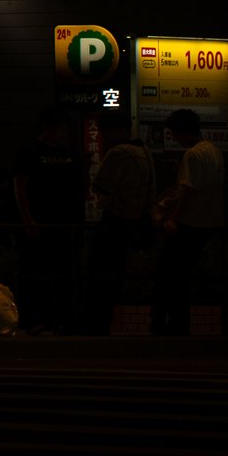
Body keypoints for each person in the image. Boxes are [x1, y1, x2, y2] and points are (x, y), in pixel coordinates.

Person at [12, 107, 86, 333]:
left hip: (65, 223)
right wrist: (28, 219)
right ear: (45, 129)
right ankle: (36, 320)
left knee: (65, 274)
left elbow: (81, 186)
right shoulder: (30, 152)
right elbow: (20, 187)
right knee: (37, 273)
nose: (59, 133)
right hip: (39, 224)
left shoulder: (72, 154)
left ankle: (63, 319)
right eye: (56, 128)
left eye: (62, 129)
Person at [154, 108, 226, 336]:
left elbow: (189, 192)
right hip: (209, 222)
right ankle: (177, 324)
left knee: (170, 273)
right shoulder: (213, 151)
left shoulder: (192, 155)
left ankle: (172, 324)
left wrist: (173, 218)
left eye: (174, 134)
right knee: (178, 274)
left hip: (191, 223)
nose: (174, 139)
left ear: (182, 132)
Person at [87, 111, 152, 336]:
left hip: (113, 222)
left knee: (99, 276)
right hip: (133, 224)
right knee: (114, 277)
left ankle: (96, 323)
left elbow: (100, 188)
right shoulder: (145, 152)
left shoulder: (118, 153)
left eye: (106, 132)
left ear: (117, 131)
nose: (104, 137)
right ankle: (102, 322)